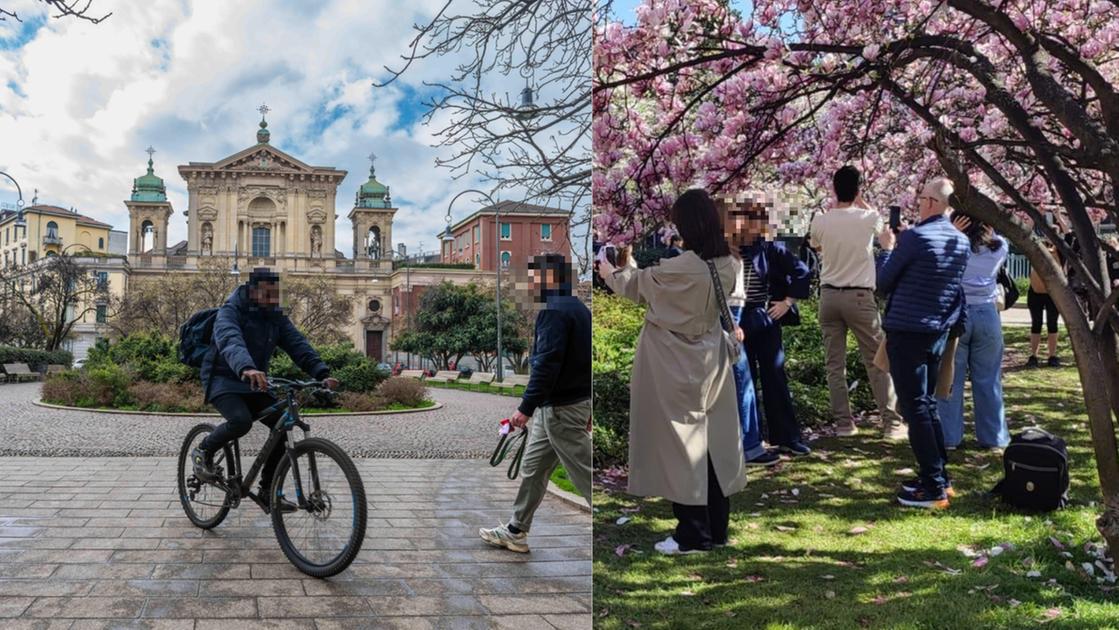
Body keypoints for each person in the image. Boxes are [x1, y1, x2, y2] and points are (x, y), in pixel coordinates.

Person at [599, 189, 747, 555]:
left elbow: (633, 286)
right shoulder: (728, 264)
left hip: (672, 362)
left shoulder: (676, 269)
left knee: (683, 447)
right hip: (711, 359)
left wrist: (610, 269)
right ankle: (717, 527)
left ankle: (692, 534)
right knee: (713, 446)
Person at [192, 268, 338, 511]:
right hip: (223, 378)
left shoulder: (275, 317)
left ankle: (268, 491)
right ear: (253, 291)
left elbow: (297, 344)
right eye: (269, 295)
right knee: (241, 421)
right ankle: (203, 451)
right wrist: (246, 367)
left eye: (277, 295)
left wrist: (321, 373)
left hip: (253, 381)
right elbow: (230, 339)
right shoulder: (231, 310)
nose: (274, 300)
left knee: (282, 426)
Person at [479, 254, 592, 554]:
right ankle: (516, 530)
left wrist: (524, 409)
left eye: (534, 278)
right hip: (560, 406)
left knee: (584, 471)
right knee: (532, 469)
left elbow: (546, 365)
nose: (530, 284)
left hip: (561, 409)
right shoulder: (579, 309)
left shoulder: (554, 310)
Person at [876, 178, 970, 509]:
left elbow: (883, 282)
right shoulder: (960, 241)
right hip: (937, 330)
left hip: (907, 329)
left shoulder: (914, 238)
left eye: (921, 198)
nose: (917, 202)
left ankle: (932, 487)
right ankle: (939, 475)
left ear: (930, 202)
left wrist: (887, 250)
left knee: (914, 407)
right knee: (927, 403)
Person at [810, 166, 905, 439]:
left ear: (833, 189)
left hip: (828, 297)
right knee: (877, 361)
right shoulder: (868, 217)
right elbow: (885, 232)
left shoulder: (820, 220)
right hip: (860, 297)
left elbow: (817, 245)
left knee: (834, 364)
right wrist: (862, 201)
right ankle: (892, 423)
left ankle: (844, 423)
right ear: (858, 189)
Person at [723, 193, 812, 462]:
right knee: (743, 381)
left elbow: (802, 271)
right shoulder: (728, 248)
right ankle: (748, 441)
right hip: (735, 320)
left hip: (764, 317)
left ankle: (787, 437)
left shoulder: (771, 247)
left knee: (774, 375)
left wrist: (787, 302)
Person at [936, 214, 1010, 450]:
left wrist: (950, 230)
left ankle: (949, 437)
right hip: (988, 316)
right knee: (989, 379)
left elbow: (939, 259)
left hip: (957, 314)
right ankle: (994, 437)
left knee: (950, 380)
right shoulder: (1000, 248)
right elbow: (995, 239)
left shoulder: (954, 246)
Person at [1026, 240, 1062, 368]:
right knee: (1036, 323)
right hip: (1035, 293)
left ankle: (1052, 356)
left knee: (1052, 324)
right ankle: (1033, 356)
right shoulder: (1035, 250)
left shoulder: (1060, 253)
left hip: (1053, 294)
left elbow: (1067, 236)